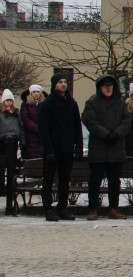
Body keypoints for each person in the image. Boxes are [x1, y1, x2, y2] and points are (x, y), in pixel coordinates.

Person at [81, 74, 131, 221]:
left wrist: (116, 134)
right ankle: (92, 209)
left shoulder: (121, 103)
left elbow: (127, 121)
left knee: (114, 181)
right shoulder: (92, 103)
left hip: (116, 147)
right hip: (98, 148)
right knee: (95, 180)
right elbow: (90, 122)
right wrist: (106, 134)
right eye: (105, 85)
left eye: (110, 85)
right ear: (99, 87)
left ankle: (113, 208)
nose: (108, 88)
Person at [37, 73, 82, 221]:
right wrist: (48, 150)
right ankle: (48, 209)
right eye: (60, 82)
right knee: (48, 180)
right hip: (53, 148)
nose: (63, 84)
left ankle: (62, 207)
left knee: (65, 180)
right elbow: (43, 130)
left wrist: (78, 147)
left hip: (67, 148)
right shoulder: (47, 105)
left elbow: (77, 127)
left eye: (65, 82)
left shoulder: (72, 103)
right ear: (54, 84)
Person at [1, 89, 25, 216]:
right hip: (2, 144)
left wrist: (22, 140)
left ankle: (10, 205)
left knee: (11, 174)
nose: (9, 103)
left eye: (10, 100)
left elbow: (21, 129)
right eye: (7, 100)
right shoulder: (1, 114)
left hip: (13, 145)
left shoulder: (16, 114)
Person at [20, 84, 45, 161]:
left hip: (43, 135)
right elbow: (25, 119)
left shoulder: (45, 104)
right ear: (30, 93)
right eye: (34, 92)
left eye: (38, 92)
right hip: (30, 135)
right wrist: (37, 128)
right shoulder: (25, 104)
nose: (36, 93)